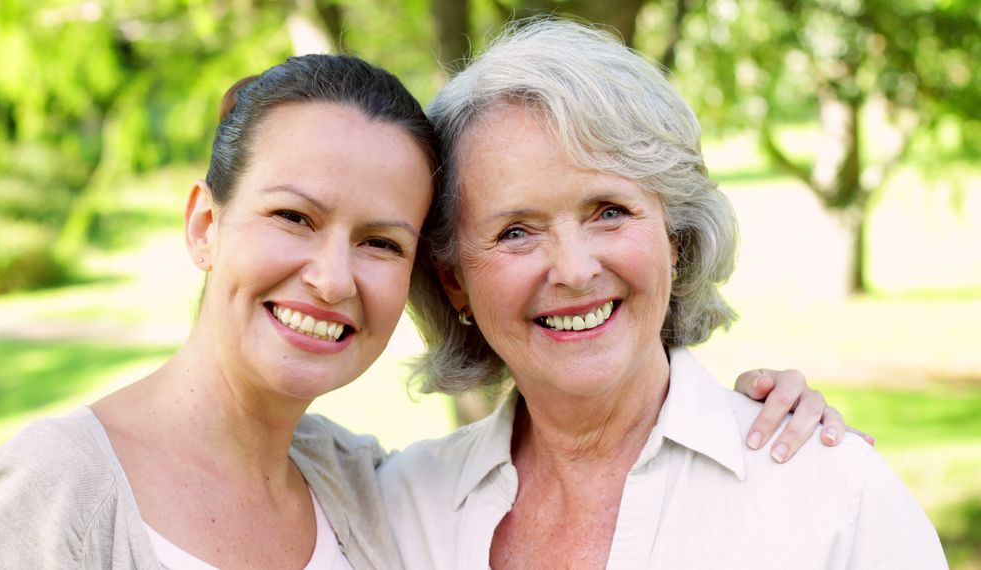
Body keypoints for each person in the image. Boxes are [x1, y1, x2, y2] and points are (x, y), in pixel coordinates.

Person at [0, 52, 855, 569]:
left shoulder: (362, 490)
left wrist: (754, 413)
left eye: (381, 241)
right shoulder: (51, 498)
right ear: (205, 224)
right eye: (294, 217)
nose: (333, 279)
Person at [379, 20, 946, 569]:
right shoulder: (400, 508)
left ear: (674, 236)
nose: (574, 271)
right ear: (455, 281)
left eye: (609, 211)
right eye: (516, 232)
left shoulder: (830, 493)